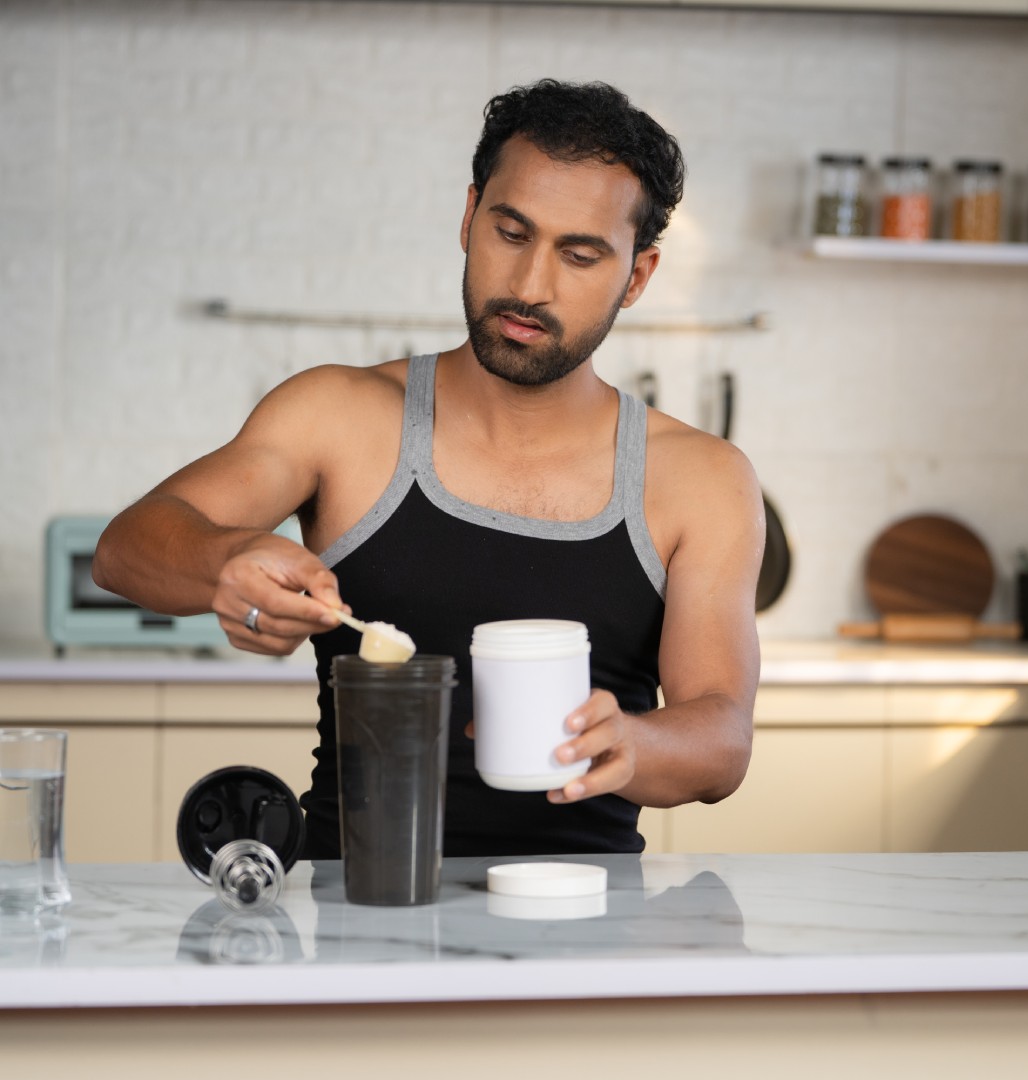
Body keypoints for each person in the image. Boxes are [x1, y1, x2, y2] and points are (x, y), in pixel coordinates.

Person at [93, 78, 764, 858]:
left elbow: (722, 738)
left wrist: (634, 746)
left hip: (588, 930)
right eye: (511, 233)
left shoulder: (703, 479)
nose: (529, 286)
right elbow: (126, 548)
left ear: (637, 277)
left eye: (580, 256)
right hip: (352, 912)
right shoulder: (337, 414)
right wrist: (226, 561)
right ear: (468, 216)